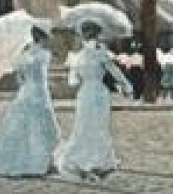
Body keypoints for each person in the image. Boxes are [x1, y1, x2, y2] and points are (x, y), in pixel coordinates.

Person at [0, 24, 61, 178]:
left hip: (25, 93)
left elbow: (20, 79)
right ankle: (42, 162)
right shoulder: (44, 55)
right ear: (42, 38)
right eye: (46, 38)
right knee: (42, 126)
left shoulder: (22, 57)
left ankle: (24, 160)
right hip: (40, 93)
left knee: (22, 127)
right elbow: (43, 79)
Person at [55, 24, 134, 180]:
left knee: (83, 126)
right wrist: (126, 85)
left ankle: (83, 158)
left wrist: (81, 74)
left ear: (83, 37)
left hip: (85, 93)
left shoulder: (78, 56)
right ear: (96, 36)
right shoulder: (100, 53)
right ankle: (99, 160)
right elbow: (114, 71)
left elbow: (72, 82)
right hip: (98, 92)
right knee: (99, 126)